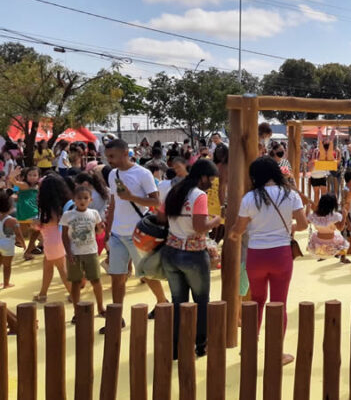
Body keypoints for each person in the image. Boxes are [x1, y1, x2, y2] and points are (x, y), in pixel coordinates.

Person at [229, 156, 307, 366]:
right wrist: (289, 229)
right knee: (278, 304)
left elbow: (239, 229)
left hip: (256, 255)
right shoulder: (290, 195)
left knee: (256, 301)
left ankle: (249, 349)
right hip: (281, 255)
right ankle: (277, 353)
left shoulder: (249, 198)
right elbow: (303, 224)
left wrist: (233, 235)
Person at [157, 159, 221, 359]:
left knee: (178, 302)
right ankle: (200, 345)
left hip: (171, 251)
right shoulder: (199, 195)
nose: (211, 184)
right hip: (193, 254)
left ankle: (176, 347)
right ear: (202, 177)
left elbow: (160, 218)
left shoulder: (172, 190)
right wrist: (216, 221)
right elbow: (200, 226)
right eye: (210, 179)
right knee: (201, 301)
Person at [104, 139, 167, 331]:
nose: (109, 161)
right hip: (117, 233)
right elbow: (114, 203)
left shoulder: (143, 173)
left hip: (137, 234)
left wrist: (131, 197)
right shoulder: (113, 174)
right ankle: (116, 318)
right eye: (107, 157)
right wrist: (108, 230)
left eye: (112, 156)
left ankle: (163, 303)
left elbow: (155, 202)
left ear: (126, 153)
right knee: (116, 276)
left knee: (147, 274)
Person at [61, 186, 105, 321]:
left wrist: (101, 229)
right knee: (76, 282)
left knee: (96, 280)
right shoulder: (68, 215)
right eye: (79, 198)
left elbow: (98, 231)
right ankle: (77, 311)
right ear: (74, 200)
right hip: (75, 252)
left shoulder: (94, 213)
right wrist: (68, 252)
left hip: (91, 251)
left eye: (85, 198)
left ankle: (100, 307)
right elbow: (64, 235)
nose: (82, 201)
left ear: (90, 200)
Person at [33, 175, 73, 302]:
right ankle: (43, 293)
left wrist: (35, 223)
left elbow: (44, 224)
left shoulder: (48, 208)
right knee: (48, 266)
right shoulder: (60, 205)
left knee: (61, 269)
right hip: (57, 240)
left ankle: (73, 294)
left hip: (51, 242)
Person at [306, 193, 348, 259]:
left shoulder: (314, 216)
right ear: (333, 205)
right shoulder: (334, 216)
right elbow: (341, 228)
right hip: (332, 242)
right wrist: (344, 216)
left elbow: (306, 221)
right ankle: (341, 256)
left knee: (315, 234)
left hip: (317, 242)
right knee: (341, 240)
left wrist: (307, 210)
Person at [0, 192, 23, 288]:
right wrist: (22, 243)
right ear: (10, 206)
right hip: (8, 245)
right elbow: (18, 234)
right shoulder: (12, 220)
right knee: (7, 266)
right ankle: (6, 283)